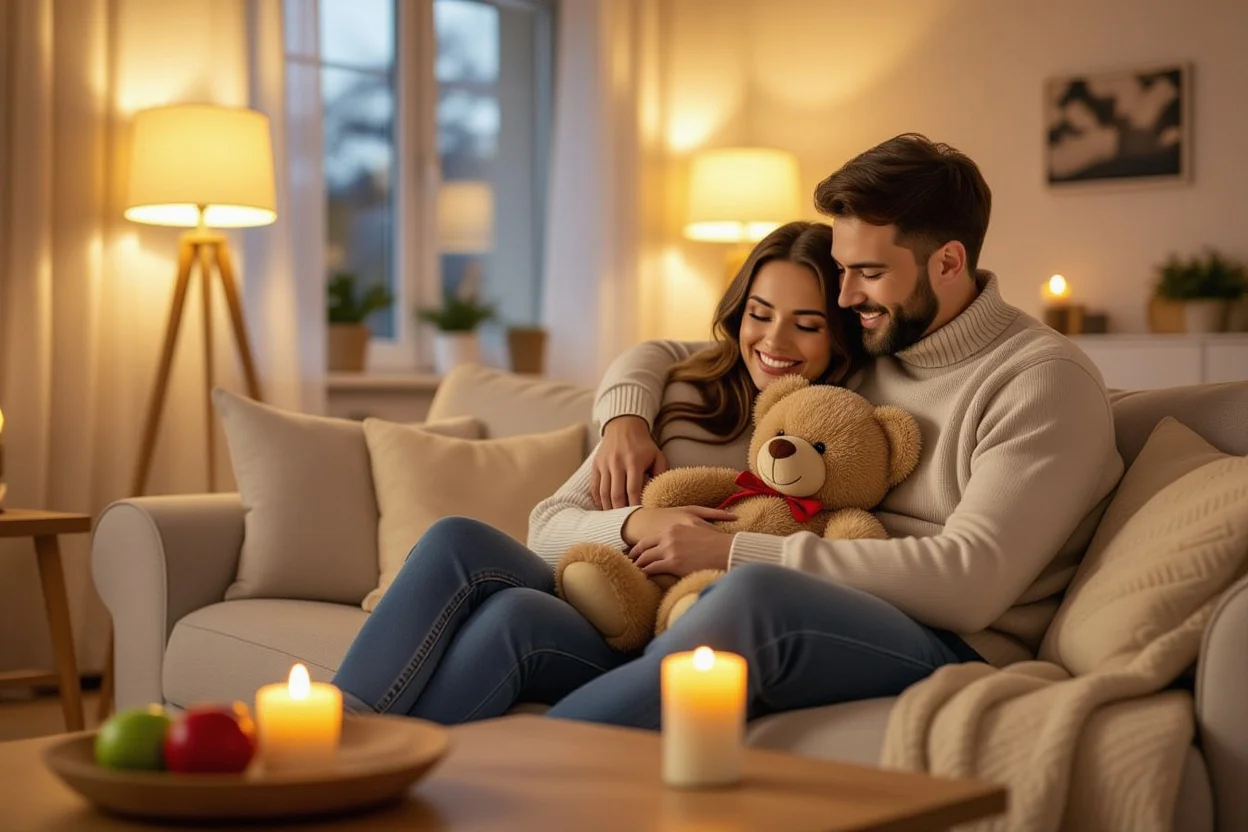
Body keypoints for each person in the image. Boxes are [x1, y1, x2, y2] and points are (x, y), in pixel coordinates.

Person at [544, 133, 1123, 729]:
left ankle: (557, 761)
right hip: (844, 601)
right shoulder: (881, 340)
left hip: (954, 641)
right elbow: (684, 353)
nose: (846, 296)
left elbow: (970, 583)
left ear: (949, 263)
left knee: (754, 598)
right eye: (843, 270)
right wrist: (625, 419)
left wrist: (734, 551)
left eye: (868, 272)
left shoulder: (1041, 381)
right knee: (517, 605)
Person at [331, 221, 868, 724]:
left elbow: (843, 560)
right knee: (458, 541)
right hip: (598, 602)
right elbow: (546, 528)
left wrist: (721, 551)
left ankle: (375, 752)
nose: (774, 341)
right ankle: (346, 731)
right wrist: (636, 518)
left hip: (668, 646)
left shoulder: (845, 440)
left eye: (807, 325)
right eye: (759, 313)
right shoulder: (681, 396)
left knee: (515, 616)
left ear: (840, 333)